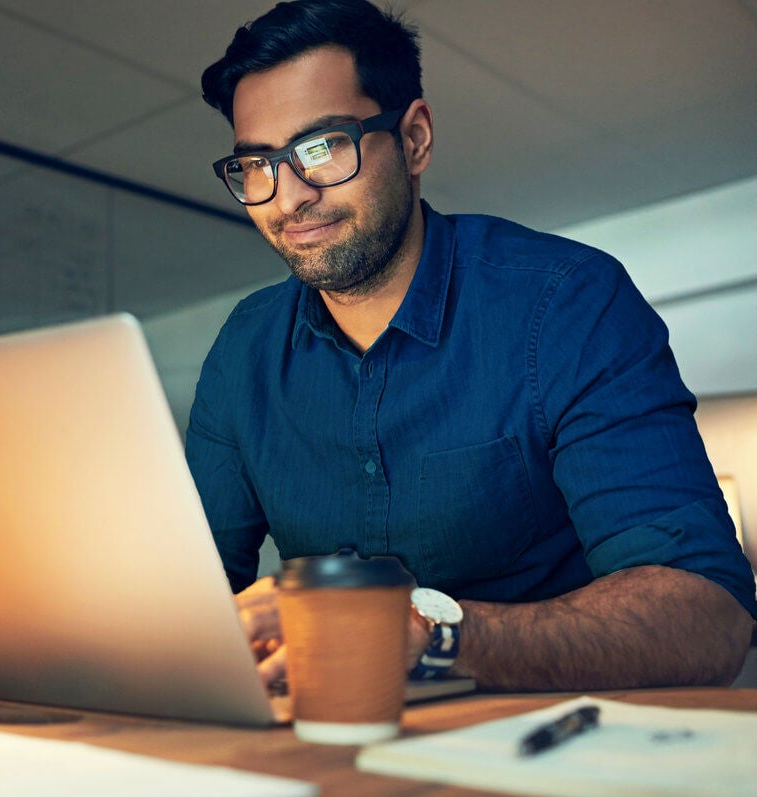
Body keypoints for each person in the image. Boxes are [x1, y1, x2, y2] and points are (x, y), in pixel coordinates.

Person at [187, 0, 756, 692]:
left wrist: (431, 632)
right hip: (331, 748)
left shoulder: (569, 303)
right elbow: (185, 600)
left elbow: (709, 612)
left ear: (415, 138)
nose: (288, 197)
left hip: (554, 751)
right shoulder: (243, 352)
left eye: (321, 147)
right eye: (257, 165)